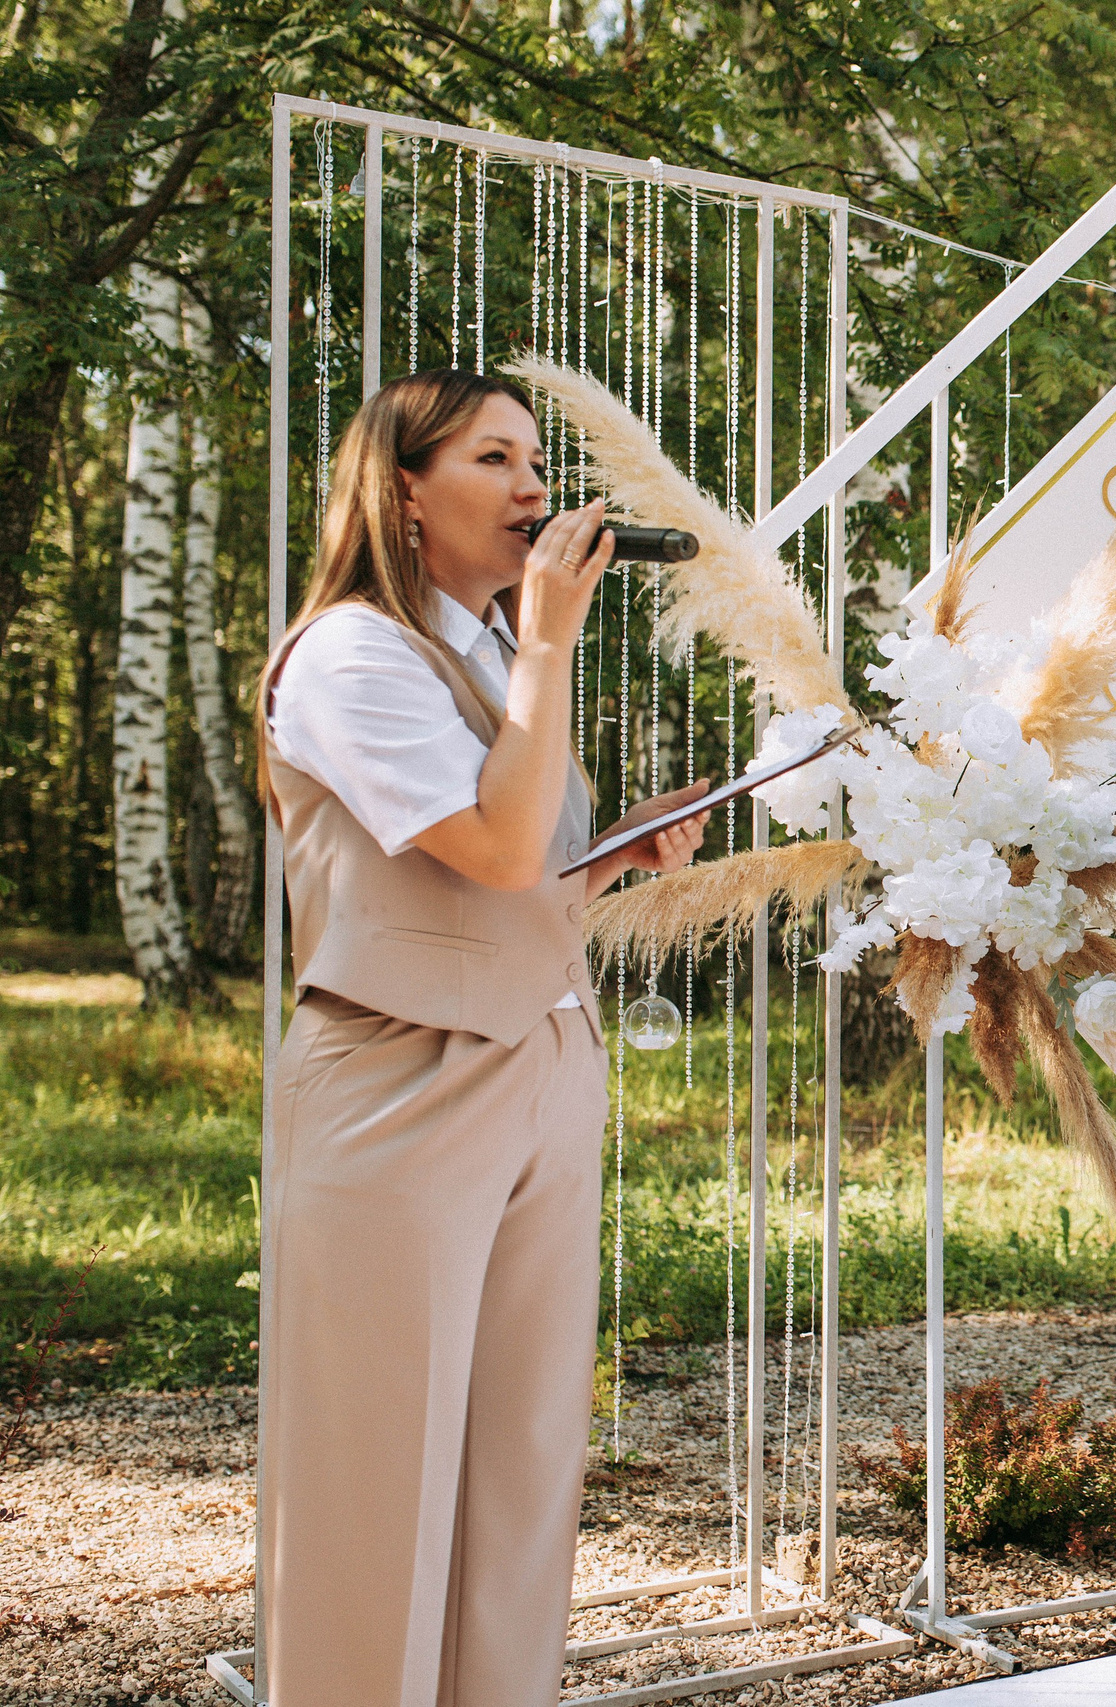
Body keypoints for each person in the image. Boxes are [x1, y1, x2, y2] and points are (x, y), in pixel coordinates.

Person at [256, 369, 713, 1707]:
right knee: (377, 1474)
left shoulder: (488, 656)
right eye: (495, 459)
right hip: (400, 1083)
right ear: (403, 490)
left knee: (517, 1470)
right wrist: (553, 645)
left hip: (543, 1074)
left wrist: (620, 855)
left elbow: (510, 883)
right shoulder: (351, 654)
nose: (535, 490)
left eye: (536, 460)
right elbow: (499, 841)